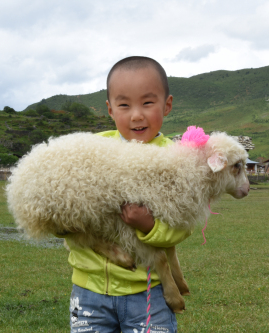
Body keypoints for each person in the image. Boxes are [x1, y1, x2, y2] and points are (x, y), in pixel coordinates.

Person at [65, 56, 191, 333]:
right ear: (110, 109)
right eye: (124, 105)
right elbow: (61, 199)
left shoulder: (175, 159)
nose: (136, 115)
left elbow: (182, 227)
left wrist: (148, 224)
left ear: (166, 105)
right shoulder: (89, 150)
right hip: (89, 290)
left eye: (147, 103)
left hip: (147, 291)